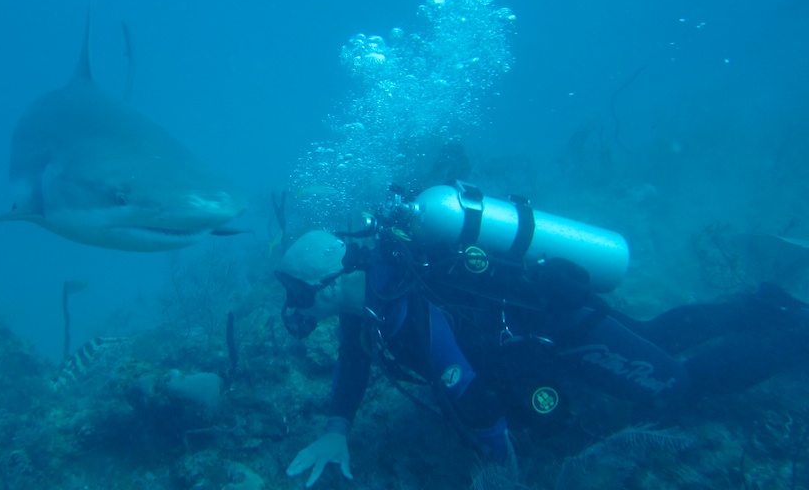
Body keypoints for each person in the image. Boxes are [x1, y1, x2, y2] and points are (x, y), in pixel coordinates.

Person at [275, 181, 809, 487]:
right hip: (540, 324)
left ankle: (793, 339)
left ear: (331, 280)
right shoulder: (366, 300)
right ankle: (759, 306)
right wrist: (336, 427)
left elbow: (466, 390)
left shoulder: (401, 304)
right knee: (654, 335)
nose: (294, 310)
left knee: (677, 385)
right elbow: (355, 361)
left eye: (298, 294)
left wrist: (503, 463)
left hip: (558, 325)